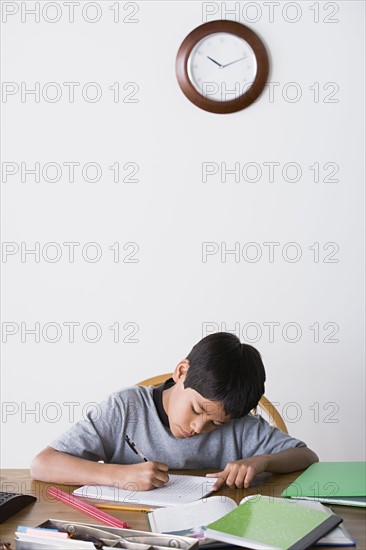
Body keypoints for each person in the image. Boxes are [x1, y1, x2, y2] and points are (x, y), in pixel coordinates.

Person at [31, 332, 318, 491]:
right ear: (182, 372)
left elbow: (307, 456)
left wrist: (263, 461)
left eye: (215, 424)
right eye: (196, 409)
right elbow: (42, 464)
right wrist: (117, 475)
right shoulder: (125, 408)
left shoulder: (239, 425)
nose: (198, 427)